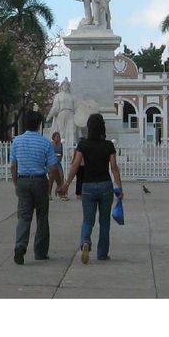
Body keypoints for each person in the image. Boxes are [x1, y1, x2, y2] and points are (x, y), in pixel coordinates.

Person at [59, 113, 124, 263]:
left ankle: (85, 242)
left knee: (88, 220)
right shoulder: (109, 145)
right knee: (104, 222)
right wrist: (119, 187)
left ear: (88, 127)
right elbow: (114, 167)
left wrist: (67, 184)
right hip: (105, 185)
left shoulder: (83, 144)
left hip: (87, 185)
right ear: (102, 127)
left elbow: (75, 165)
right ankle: (102, 254)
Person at [10, 110, 63, 265]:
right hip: (40, 181)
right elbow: (53, 168)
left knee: (24, 217)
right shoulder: (45, 142)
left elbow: (13, 166)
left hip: (23, 181)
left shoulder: (17, 141)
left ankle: (20, 245)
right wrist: (59, 185)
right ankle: (40, 252)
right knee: (42, 216)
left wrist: (16, 183)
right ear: (39, 124)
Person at [47, 79, 77, 150]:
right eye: (64, 85)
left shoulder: (72, 96)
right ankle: (61, 149)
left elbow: (76, 107)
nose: (66, 86)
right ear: (62, 86)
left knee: (72, 131)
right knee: (61, 132)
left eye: (67, 85)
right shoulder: (58, 96)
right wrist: (49, 116)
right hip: (62, 114)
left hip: (71, 114)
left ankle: (70, 150)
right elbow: (55, 107)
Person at [50, 132, 68, 201]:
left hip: (58, 163)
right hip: (52, 163)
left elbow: (61, 153)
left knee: (61, 176)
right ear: (53, 137)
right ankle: (49, 194)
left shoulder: (60, 144)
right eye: (57, 137)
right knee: (51, 179)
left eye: (59, 137)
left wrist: (60, 158)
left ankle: (61, 193)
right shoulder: (51, 144)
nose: (58, 138)